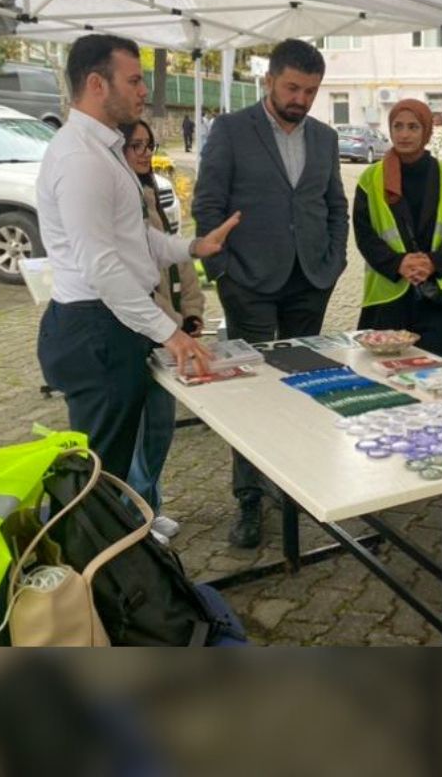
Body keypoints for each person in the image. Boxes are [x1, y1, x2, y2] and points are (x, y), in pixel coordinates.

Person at [36, 34, 238, 482]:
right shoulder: (81, 158)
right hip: (97, 328)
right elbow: (101, 266)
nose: (144, 91)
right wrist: (170, 333)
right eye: (134, 80)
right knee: (100, 478)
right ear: (97, 84)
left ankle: (116, 543)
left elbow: (135, 239)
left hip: (108, 325)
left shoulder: (102, 150)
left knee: (113, 469)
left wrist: (191, 248)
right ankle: (95, 550)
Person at [193, 38, 349, 548]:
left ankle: (294, 484)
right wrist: (223, 273)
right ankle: (250, 501)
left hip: (310, 280)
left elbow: (334, 205)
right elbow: (208, 204)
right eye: (292, 87)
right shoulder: (231, 130)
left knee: (304, 387)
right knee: (252, 393)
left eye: (310, 90)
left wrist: (333, 260)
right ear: (269, 81)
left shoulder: (324, 138)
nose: (300, 99)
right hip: (249, 283)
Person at [121, 118, 207, 545]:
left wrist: (192, 312)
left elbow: (178, 259)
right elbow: (127, 279)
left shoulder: (156, 190)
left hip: (167, 330)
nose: (141, 151)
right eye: (133, 144)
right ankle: (133, 518)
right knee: (137, 432)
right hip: (138, 330)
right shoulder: (115, 197)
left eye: (147, 144)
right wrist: (170, 326)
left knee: (160, 426)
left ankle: (149, 507)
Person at [353, 98, 442, 367]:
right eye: (397, 126)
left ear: (426, 131)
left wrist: (433, 263)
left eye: (413, 127)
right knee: (384, 379)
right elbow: (365, 234)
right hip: (388, 295)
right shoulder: (370, 178)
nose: (404, 134)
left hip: (437, 295)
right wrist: (399, 264)